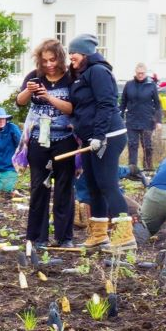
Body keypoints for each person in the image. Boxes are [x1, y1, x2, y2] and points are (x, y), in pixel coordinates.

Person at [68, 34, 133, 250]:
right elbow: (84, 106)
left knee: (107, 184)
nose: (71, 58)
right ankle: (98, 235)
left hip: (108, 136)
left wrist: (99, 135)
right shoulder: (83, 73)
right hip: (91, 138)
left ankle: (125, 236)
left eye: (74, 53)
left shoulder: (98, 71)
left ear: (85, 53)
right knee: (93, 186)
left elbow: (106, 104)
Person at [16, 39, 76, 247]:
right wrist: (29, 91)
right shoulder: (34, 76)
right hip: (38, 141)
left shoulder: (70, 78)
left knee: (64, 189)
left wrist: (49, 97)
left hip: (64, 140)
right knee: (39, 188)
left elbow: (72, 109)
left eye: (52, 60)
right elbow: (20, 101)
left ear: (60, 58)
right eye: (45, 61)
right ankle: (37, 237)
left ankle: (64, 237)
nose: (49, 64)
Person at [120, 63, 160, 173]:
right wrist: (120, 116)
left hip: (147, 119)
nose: (140, 75)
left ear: (145, 73)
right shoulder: (129, 85)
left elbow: (157, 104)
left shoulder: (151, 85)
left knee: (147, 145)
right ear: (135, 73)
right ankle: (132, 169)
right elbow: (123, 102)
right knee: (132, 144)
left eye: (142, 73)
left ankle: (148, 168)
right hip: (132, 119)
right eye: (138, 73)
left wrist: (158, 120)